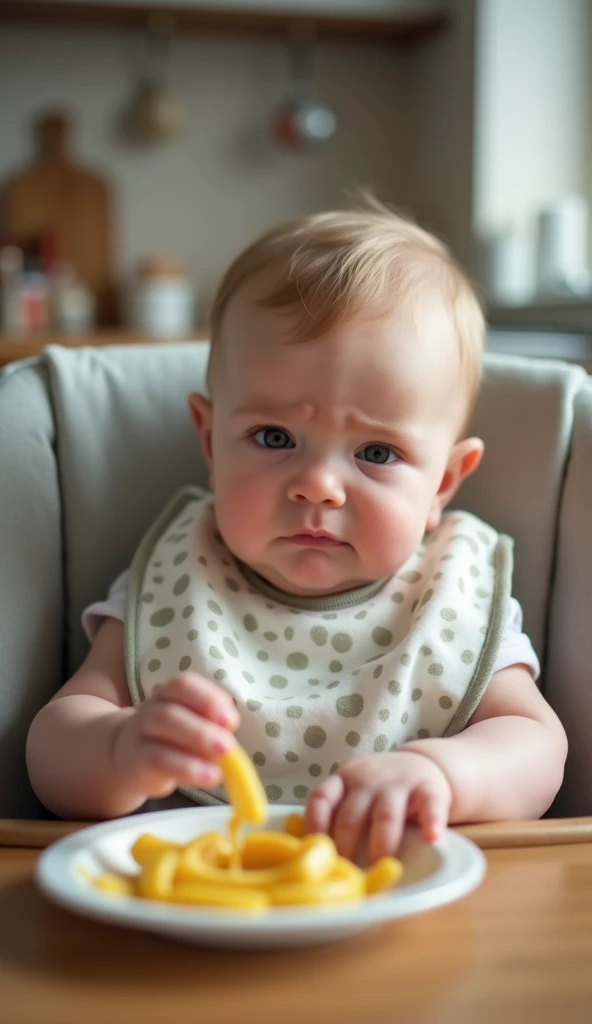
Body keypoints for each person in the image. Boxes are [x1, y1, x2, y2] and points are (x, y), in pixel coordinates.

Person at [26, 198, 567, 864]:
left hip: (397, 899)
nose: (319, 485)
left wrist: (447, 775)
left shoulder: (451, 591)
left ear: (445, 483)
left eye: (376, 453)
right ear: (211, 440)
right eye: (274, 436)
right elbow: (54, 742)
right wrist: (118, 748)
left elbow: (537, 744)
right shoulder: (181, 572)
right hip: (194, 901)